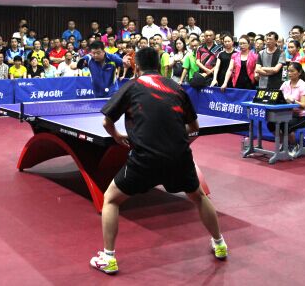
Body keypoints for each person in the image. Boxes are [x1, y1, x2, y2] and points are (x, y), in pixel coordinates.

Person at [90, 47, 227, 275]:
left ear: (136, 66)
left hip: (144, 159)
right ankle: (220, 244)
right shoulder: (176, 87)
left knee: (111, 199)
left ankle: (109, 258)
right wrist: (173, 137)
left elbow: (107, 122)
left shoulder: (132, 86)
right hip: (179, 157)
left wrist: (117, 136)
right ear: (160, 66)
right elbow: (194, 128)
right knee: (199, 197)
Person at [268, 62, 305, 154]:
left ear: (299, 72)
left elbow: (303, 105)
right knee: (271, 124)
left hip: (303, 117)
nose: (289, 73)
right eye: (288, 71)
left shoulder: (304, 85)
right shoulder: (285, 84)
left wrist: (293, 101)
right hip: (287, 115)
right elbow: (278, 97)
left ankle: (294, 145)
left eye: (292, 71)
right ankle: (284, 144)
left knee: (286, 126)